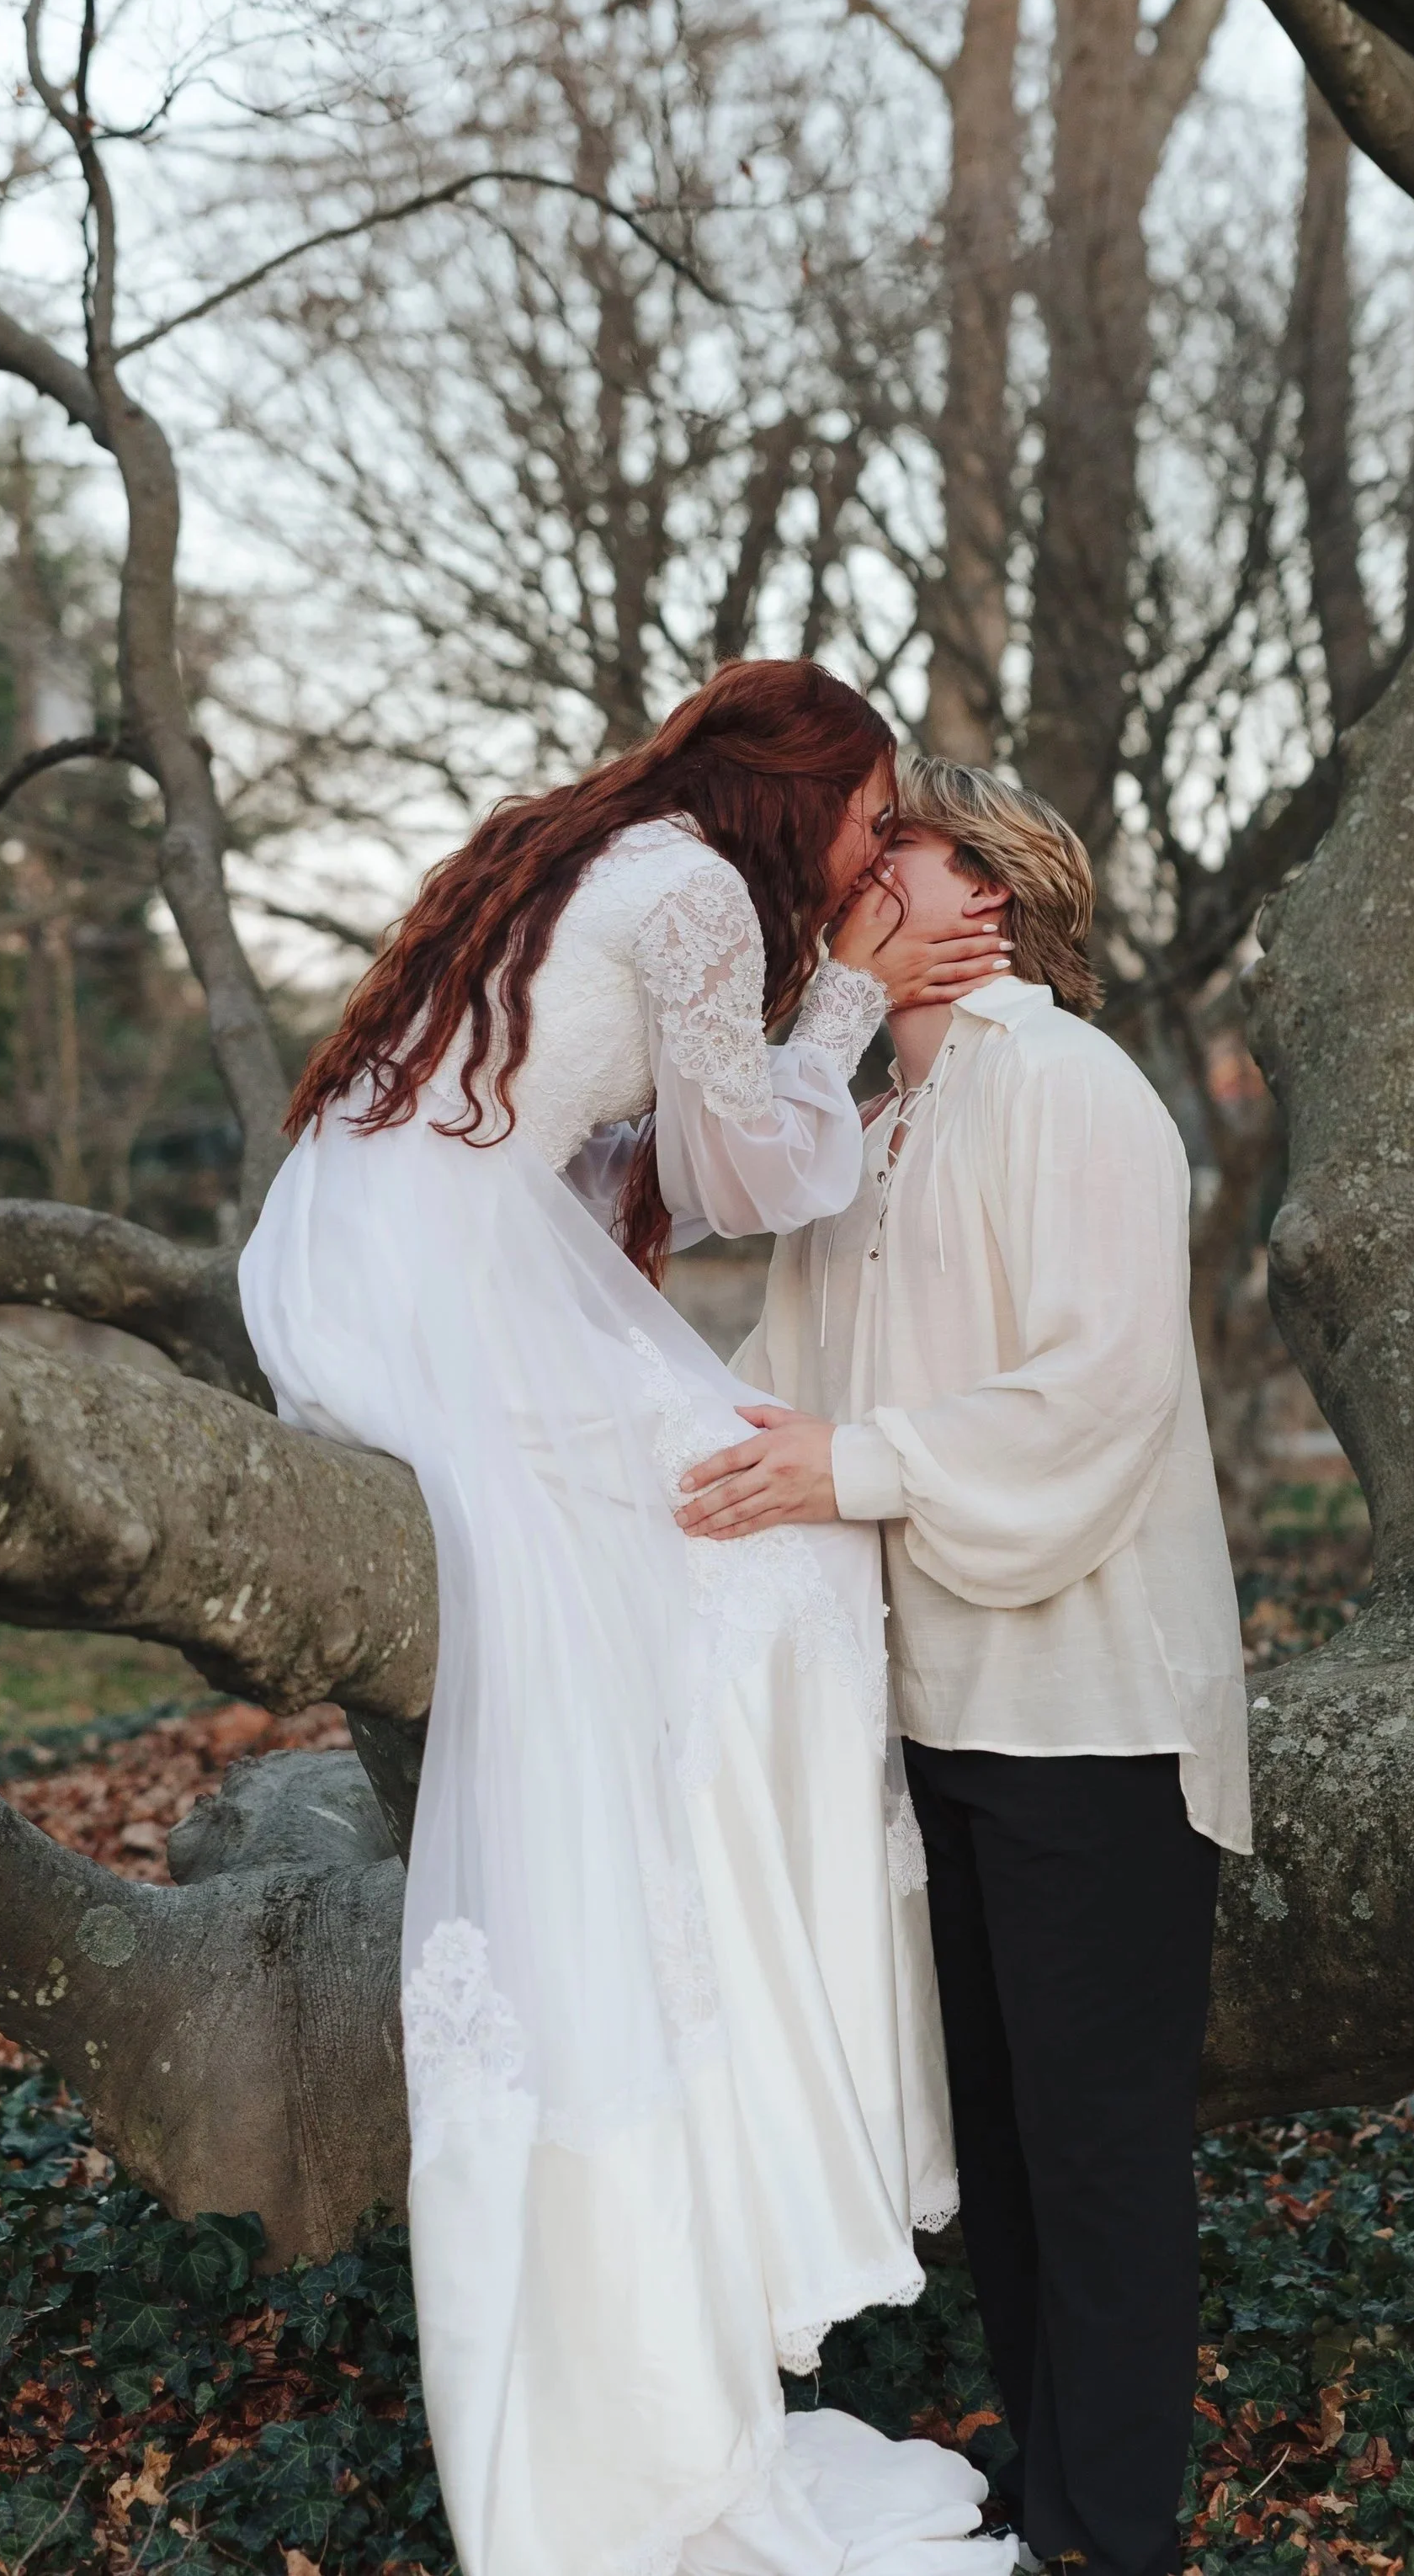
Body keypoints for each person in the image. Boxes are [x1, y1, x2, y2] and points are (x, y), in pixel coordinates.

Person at [238, 665, 1022, 2576]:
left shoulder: (610, 847)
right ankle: (766, 1948)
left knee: (734, 1524)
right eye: (866, 814)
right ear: (798, 791)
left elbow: (645, 1148)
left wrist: (826, 974)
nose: (872, 843)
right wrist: (850, 980)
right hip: (438, 1285)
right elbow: (749, 1173)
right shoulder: (684, 888)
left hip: (362, 1254)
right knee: (787, 1544)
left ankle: (738, 1935)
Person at [678, 758, 1252, 2576]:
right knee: (999, 2140)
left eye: (888, 848)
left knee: (1093, 2145)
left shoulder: (1072, 1089)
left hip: (1094, 1710)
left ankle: (1119, 2535)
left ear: (984, 893)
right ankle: (1053, 2507)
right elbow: (791, 1367)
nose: (849, 871)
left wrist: (850, 1464)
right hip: (929, 1709)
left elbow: (1093, 1389)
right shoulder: (871, 1123)